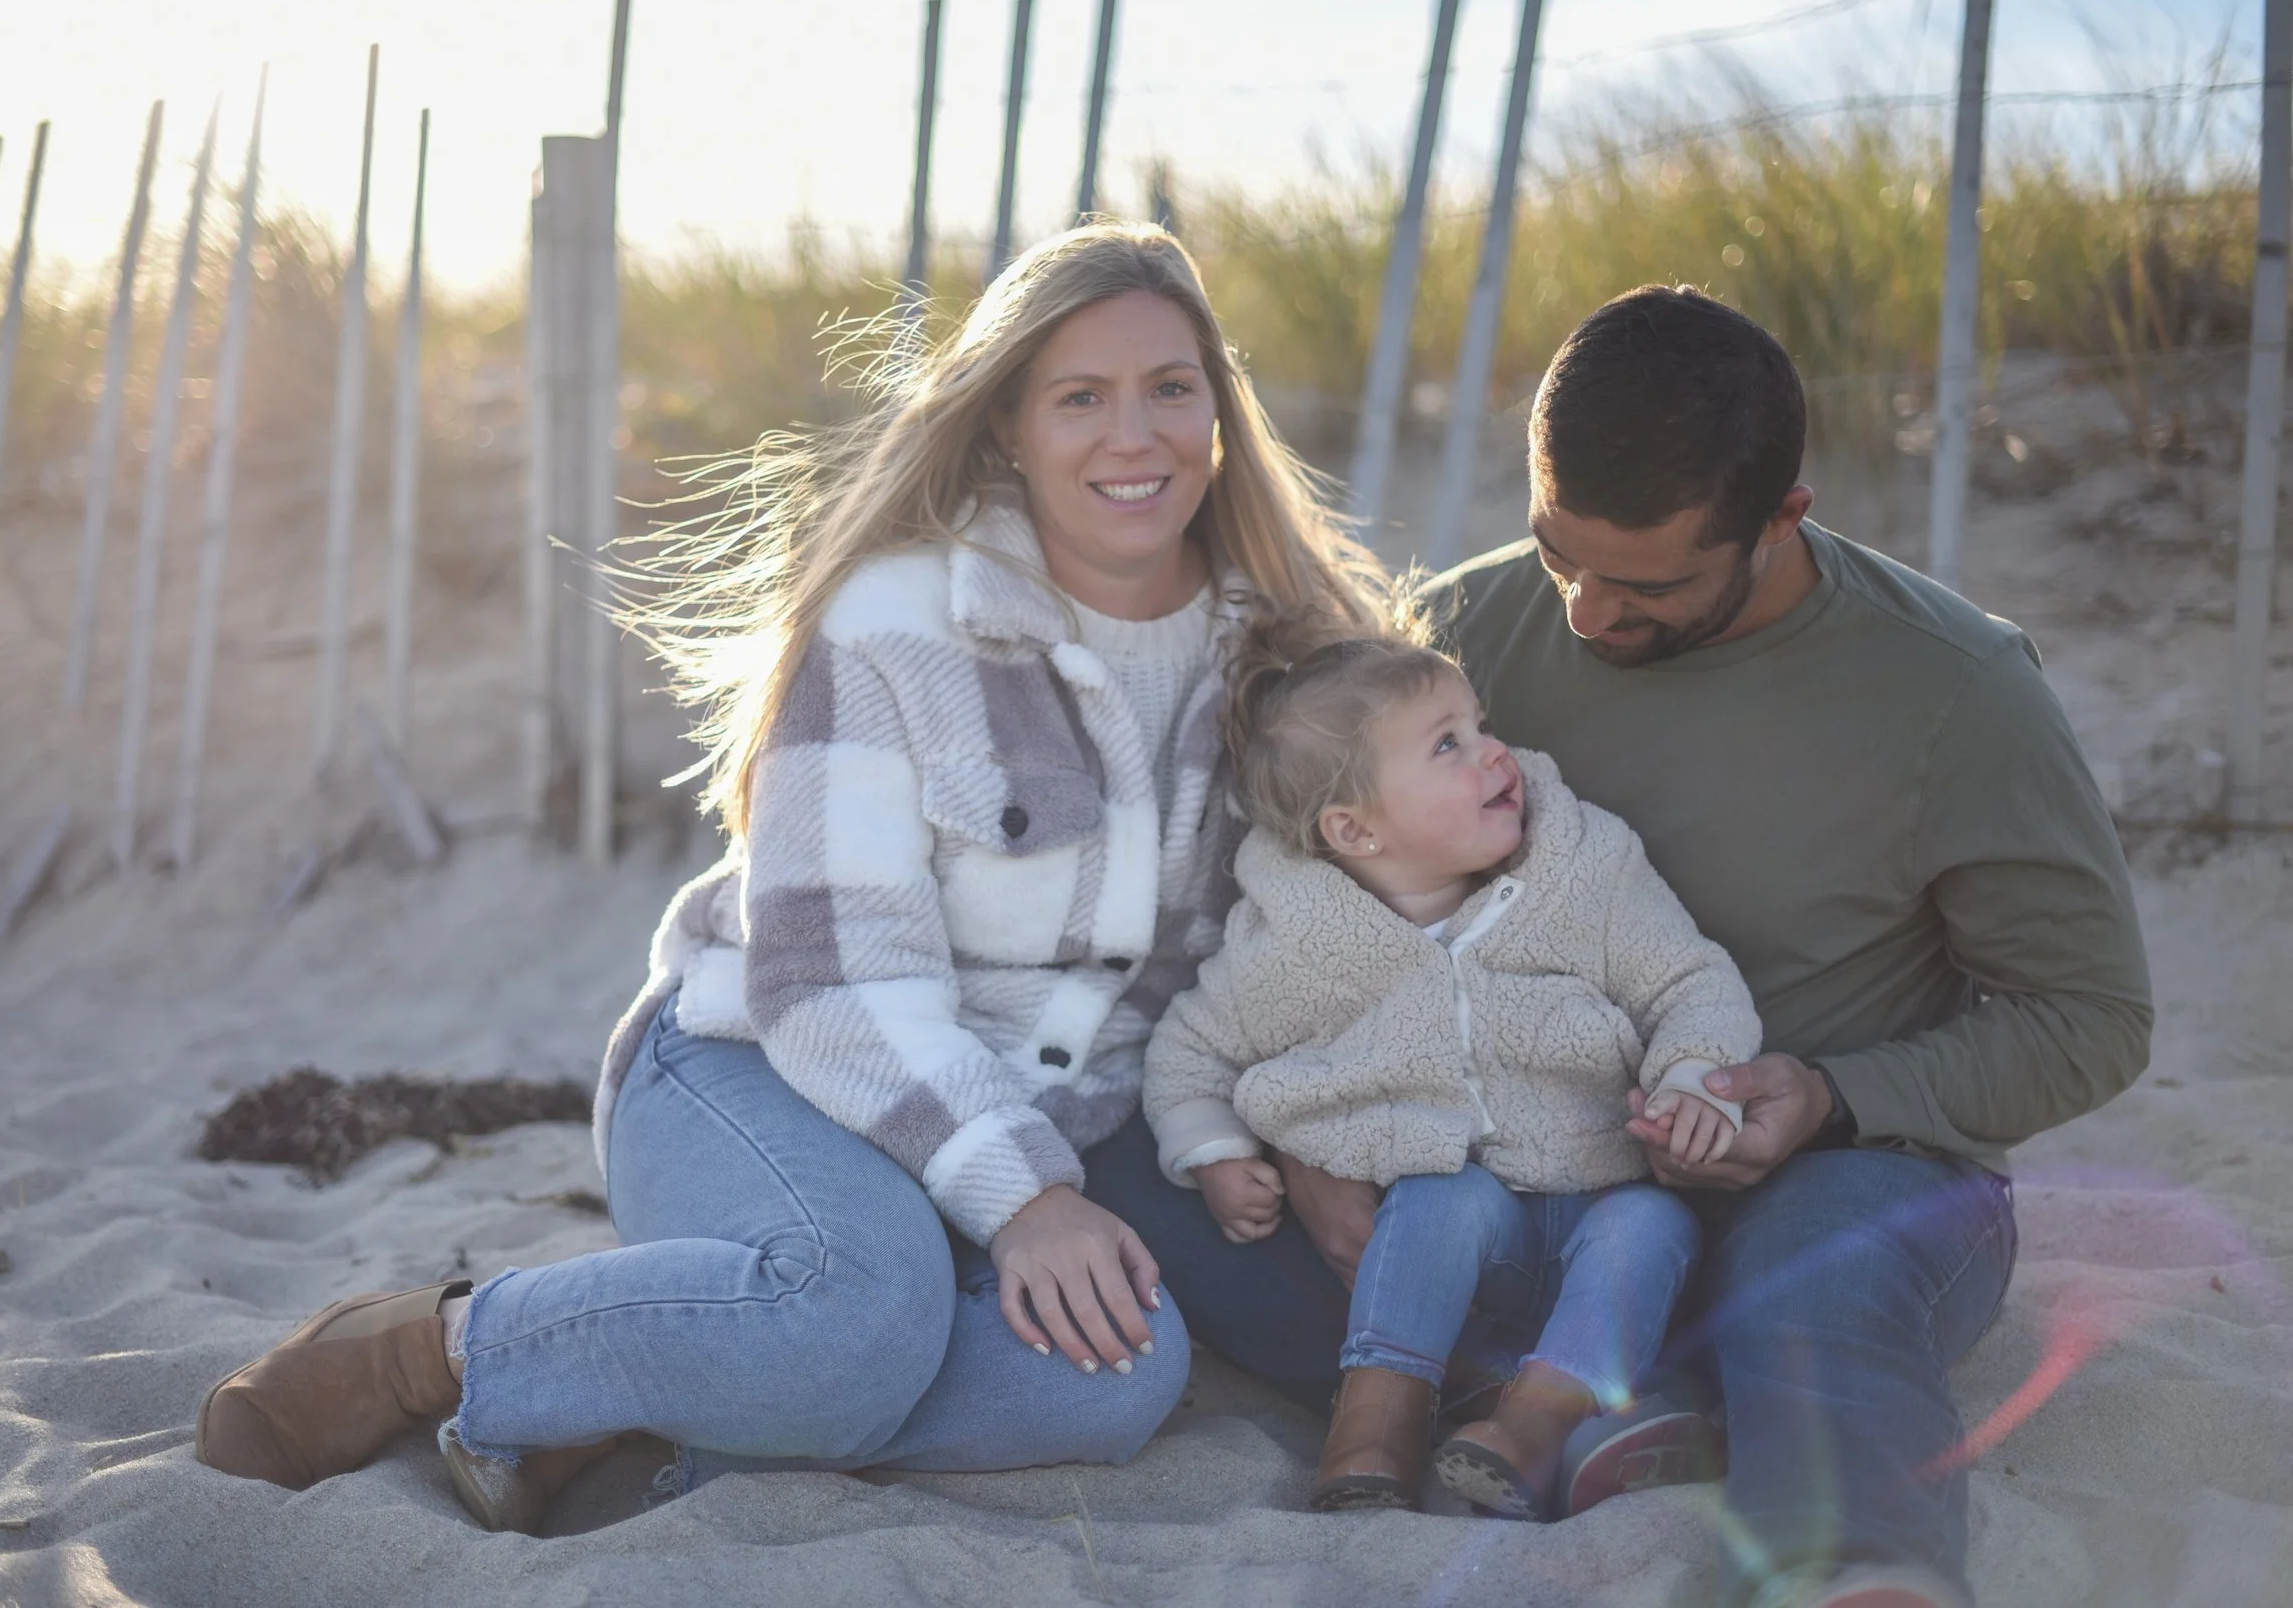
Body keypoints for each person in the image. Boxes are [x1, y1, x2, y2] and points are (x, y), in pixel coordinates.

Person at [191, 222, 1397, 1533]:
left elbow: (1316, 941)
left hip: (1028, 1115)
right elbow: (830, 980)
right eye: (1079, 398)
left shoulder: (1285, 658)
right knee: (857, 1315)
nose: (1135, 435)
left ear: (1219, 410)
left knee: (1117, 1374)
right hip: (764, 1061)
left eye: (1170, 387)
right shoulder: (894, 621)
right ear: (1006, 423)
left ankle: (639, 1389)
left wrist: (1296, 1138)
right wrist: (1031, 1198)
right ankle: (424, 1350)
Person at [1096, 284, 2153, 1608]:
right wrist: (1306, 1149)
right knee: (1139, 1162)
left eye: (1648, 584)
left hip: (1828, 1178)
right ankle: (1570, 1409)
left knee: (1811, 1284)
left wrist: (1833, 1096)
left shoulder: (1956, 689)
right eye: (1559, 553)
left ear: (1783, 519)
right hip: (1506, 1178)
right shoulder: (1466, 630)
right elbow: (1312, 925)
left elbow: (2091, 1018)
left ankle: (1833, 1560)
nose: (1587, 615)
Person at [1141, 624, 1759, 1518]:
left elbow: (1690, 979)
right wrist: (1212, 1149)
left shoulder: (1582, 868)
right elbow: (1189, 1049)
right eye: (1447, 745)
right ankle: (1375, 1425)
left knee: (1651, 1224)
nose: (1493, 752)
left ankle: (1535, 1425)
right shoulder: (1302, 945)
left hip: (1599, 1197)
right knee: (1442, 1197)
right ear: (1354, 829)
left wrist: (1695, 1075)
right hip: (1453, 1254)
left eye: (1480, 724)